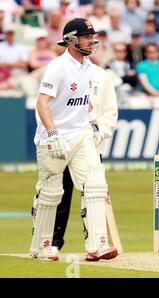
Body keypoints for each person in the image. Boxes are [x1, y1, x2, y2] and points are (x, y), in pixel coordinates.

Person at [30, 18, 118, 261]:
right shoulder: (57, 67)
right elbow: (42, 103)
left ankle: (97, 244)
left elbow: (84, 101)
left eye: (92, 36)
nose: (92, 40)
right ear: (70, 39)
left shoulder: (90, 68)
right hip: (55, 138)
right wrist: (53, 133)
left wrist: (93, 123)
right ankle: (42, 246)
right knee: (51, 192)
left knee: (96, 185)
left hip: (81, 135)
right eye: (86, 36)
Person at [51, 59, 119, 257]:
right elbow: (47, 105)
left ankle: (97, 244)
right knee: (58, 194)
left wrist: (101, 132)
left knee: (93, 193)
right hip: (65, 144)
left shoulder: (101, 76)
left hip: (91, 145)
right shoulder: (60, 71)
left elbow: (110, 111)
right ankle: (52, 243)